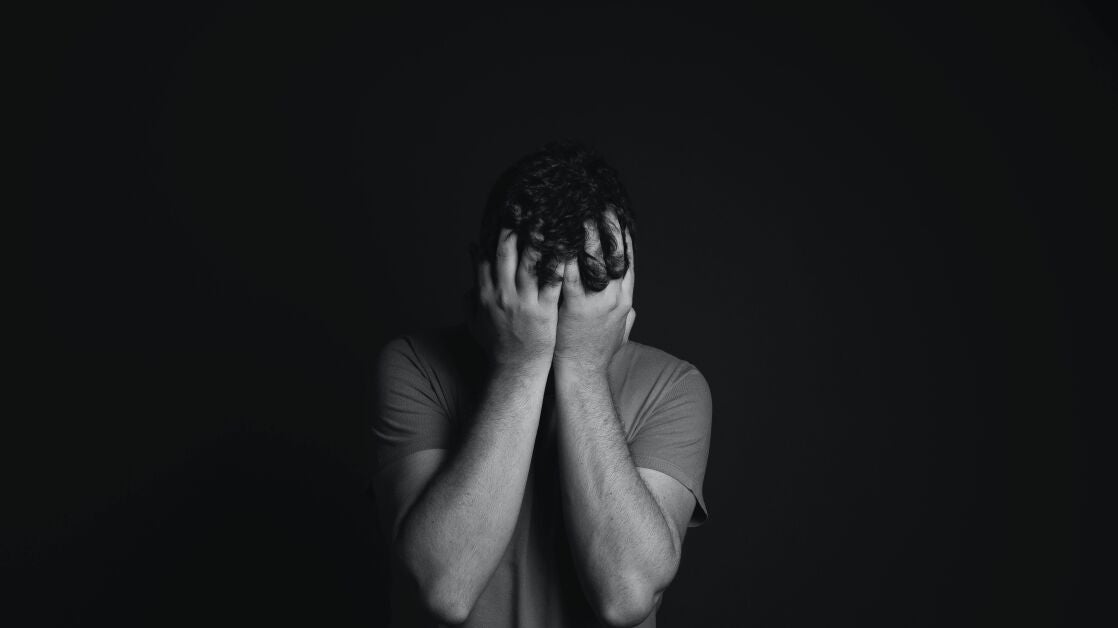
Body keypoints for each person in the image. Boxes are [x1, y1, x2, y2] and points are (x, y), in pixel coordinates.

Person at [371, 141, 712, 627]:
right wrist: (521, 364)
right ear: (485, 275)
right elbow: (444, 588)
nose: (553, 309)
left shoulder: (674, 386)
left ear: (623, 285)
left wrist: (583, 367)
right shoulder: (414, 365)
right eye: (538, 281)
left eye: (582, 284)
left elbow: (626, 596)